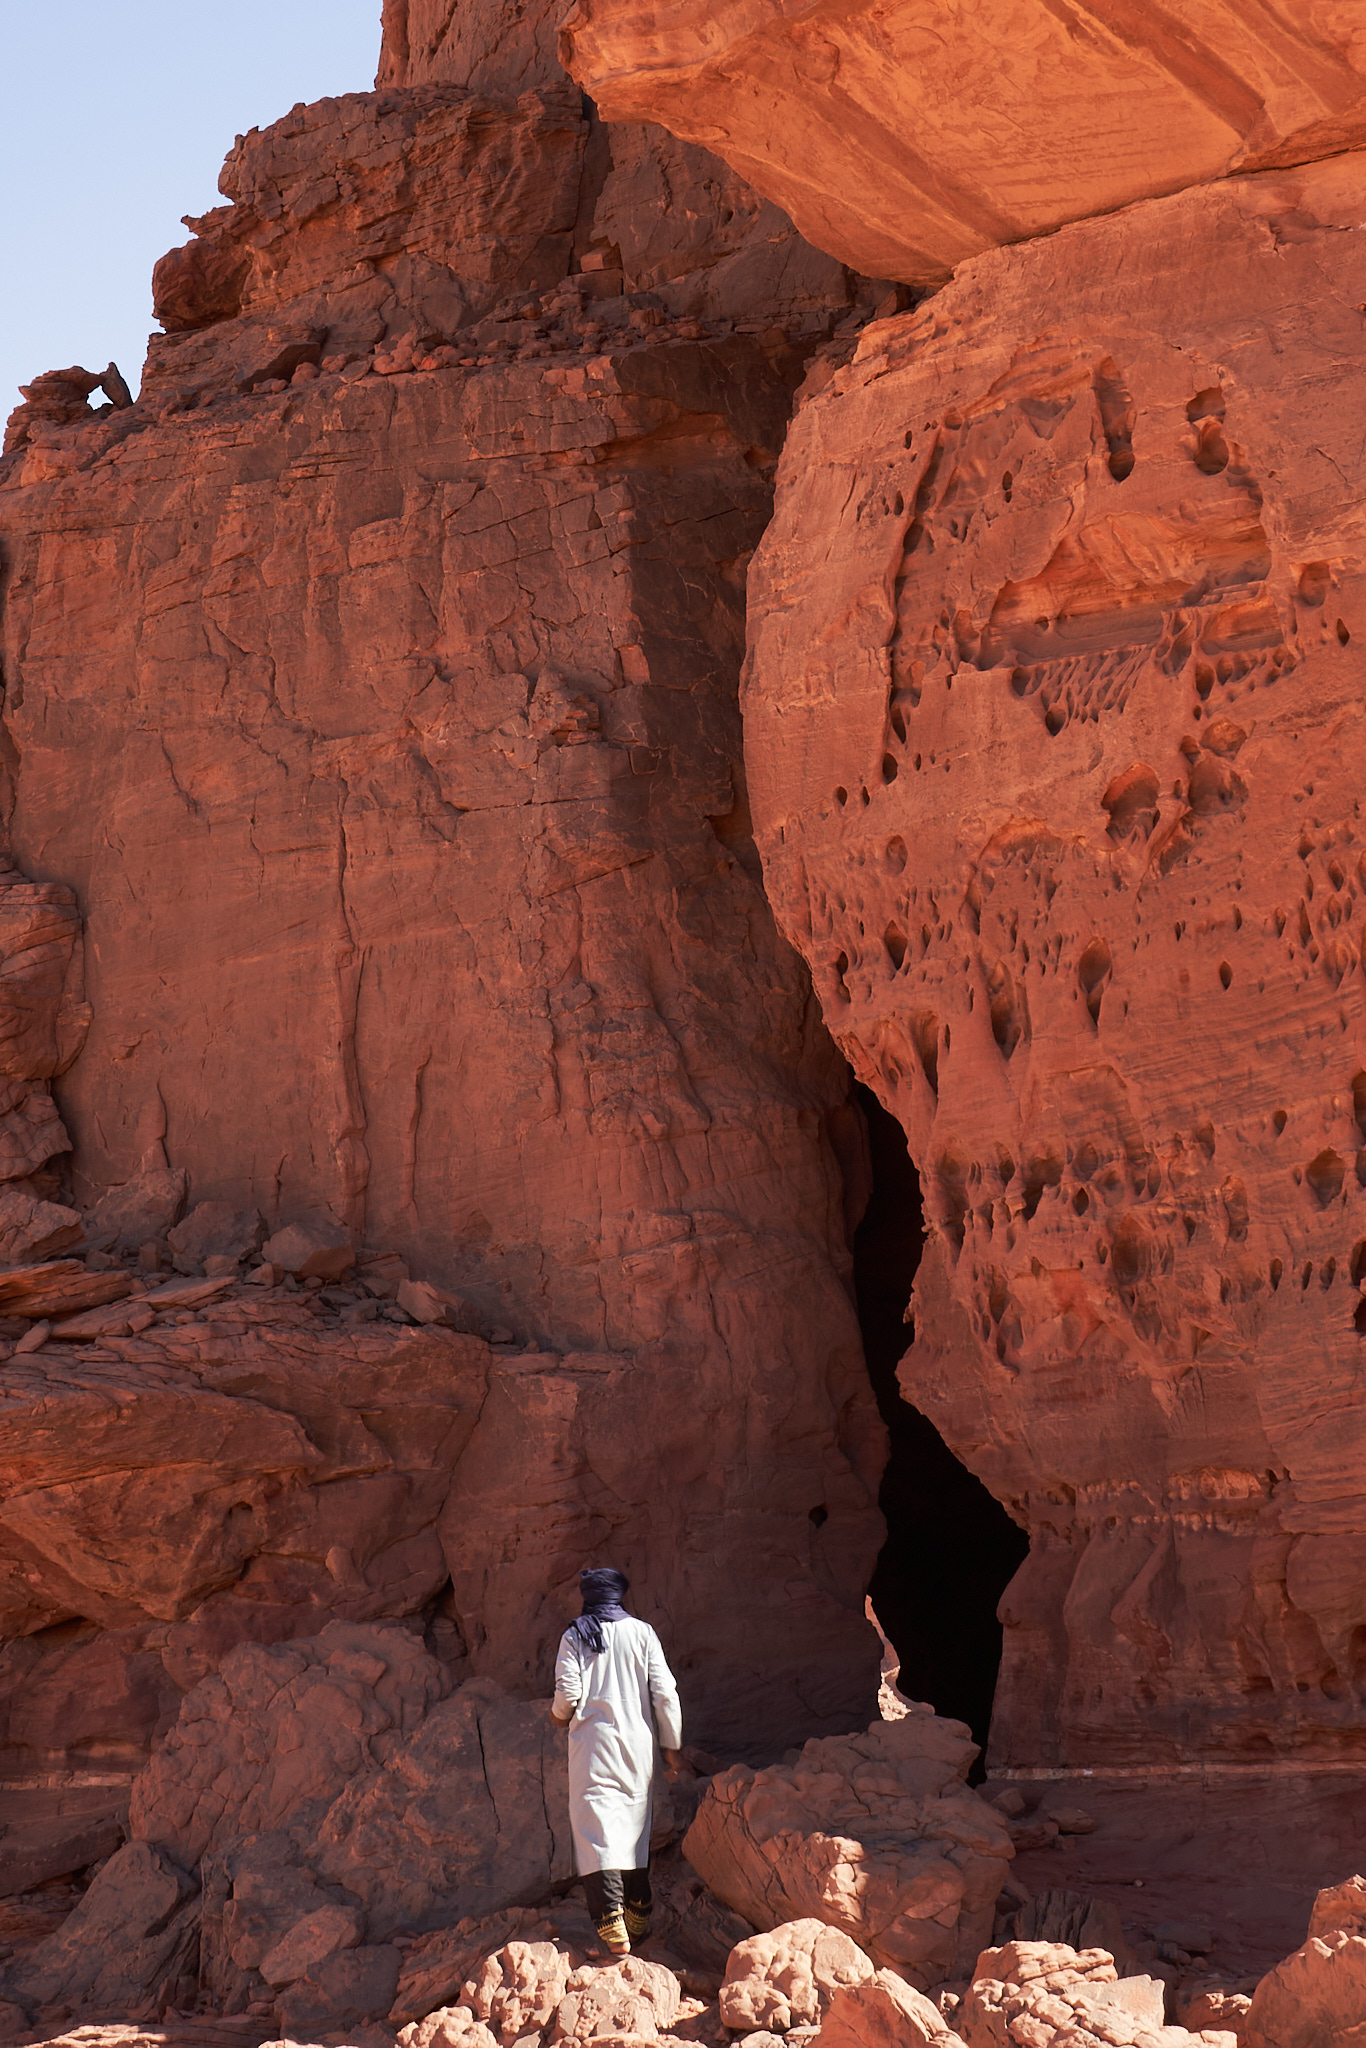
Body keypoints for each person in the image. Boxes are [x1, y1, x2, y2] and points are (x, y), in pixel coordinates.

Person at [551, 1566, 683, 1956]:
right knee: (632, 1832)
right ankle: (638, 1914)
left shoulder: (576, 1635)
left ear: (588, 1596)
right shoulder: (642, 1633)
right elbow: (665, 1691)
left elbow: (568, 1693)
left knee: (597, 1835)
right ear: (619, 1596)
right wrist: (671, 1745)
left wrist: (558, 1715)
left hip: (593, 1748)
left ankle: (612, 1924)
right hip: (636, 1747)